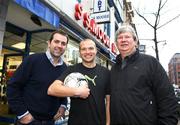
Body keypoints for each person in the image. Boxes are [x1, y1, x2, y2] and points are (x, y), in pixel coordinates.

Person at [110, 24, 178, 125]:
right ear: (116, 43)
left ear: (135, 42)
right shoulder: (114, 69)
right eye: (120, 38)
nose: (123, 40)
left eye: (127, 37)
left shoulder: (150, 63)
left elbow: (167, 99)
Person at [7, 30, 69, 125]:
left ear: (65, 47)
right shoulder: (33, 60)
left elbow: (63, 92)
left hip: (50, 121)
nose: (59, 46)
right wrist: (22, 114)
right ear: (49, 43)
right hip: (28, 121)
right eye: (56, 41)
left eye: (63, 43)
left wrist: (63, 105)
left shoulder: (65, 68)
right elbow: (13, 86)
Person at [47, 39, 110, 125]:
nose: (87, 52)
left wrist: (108, 123)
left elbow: (108, 102)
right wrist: (78, 92)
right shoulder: (72, 70)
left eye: (91, 48)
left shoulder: (106, 72)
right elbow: (52, 89)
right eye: (83, 49)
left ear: (96, 50)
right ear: (79, 52)